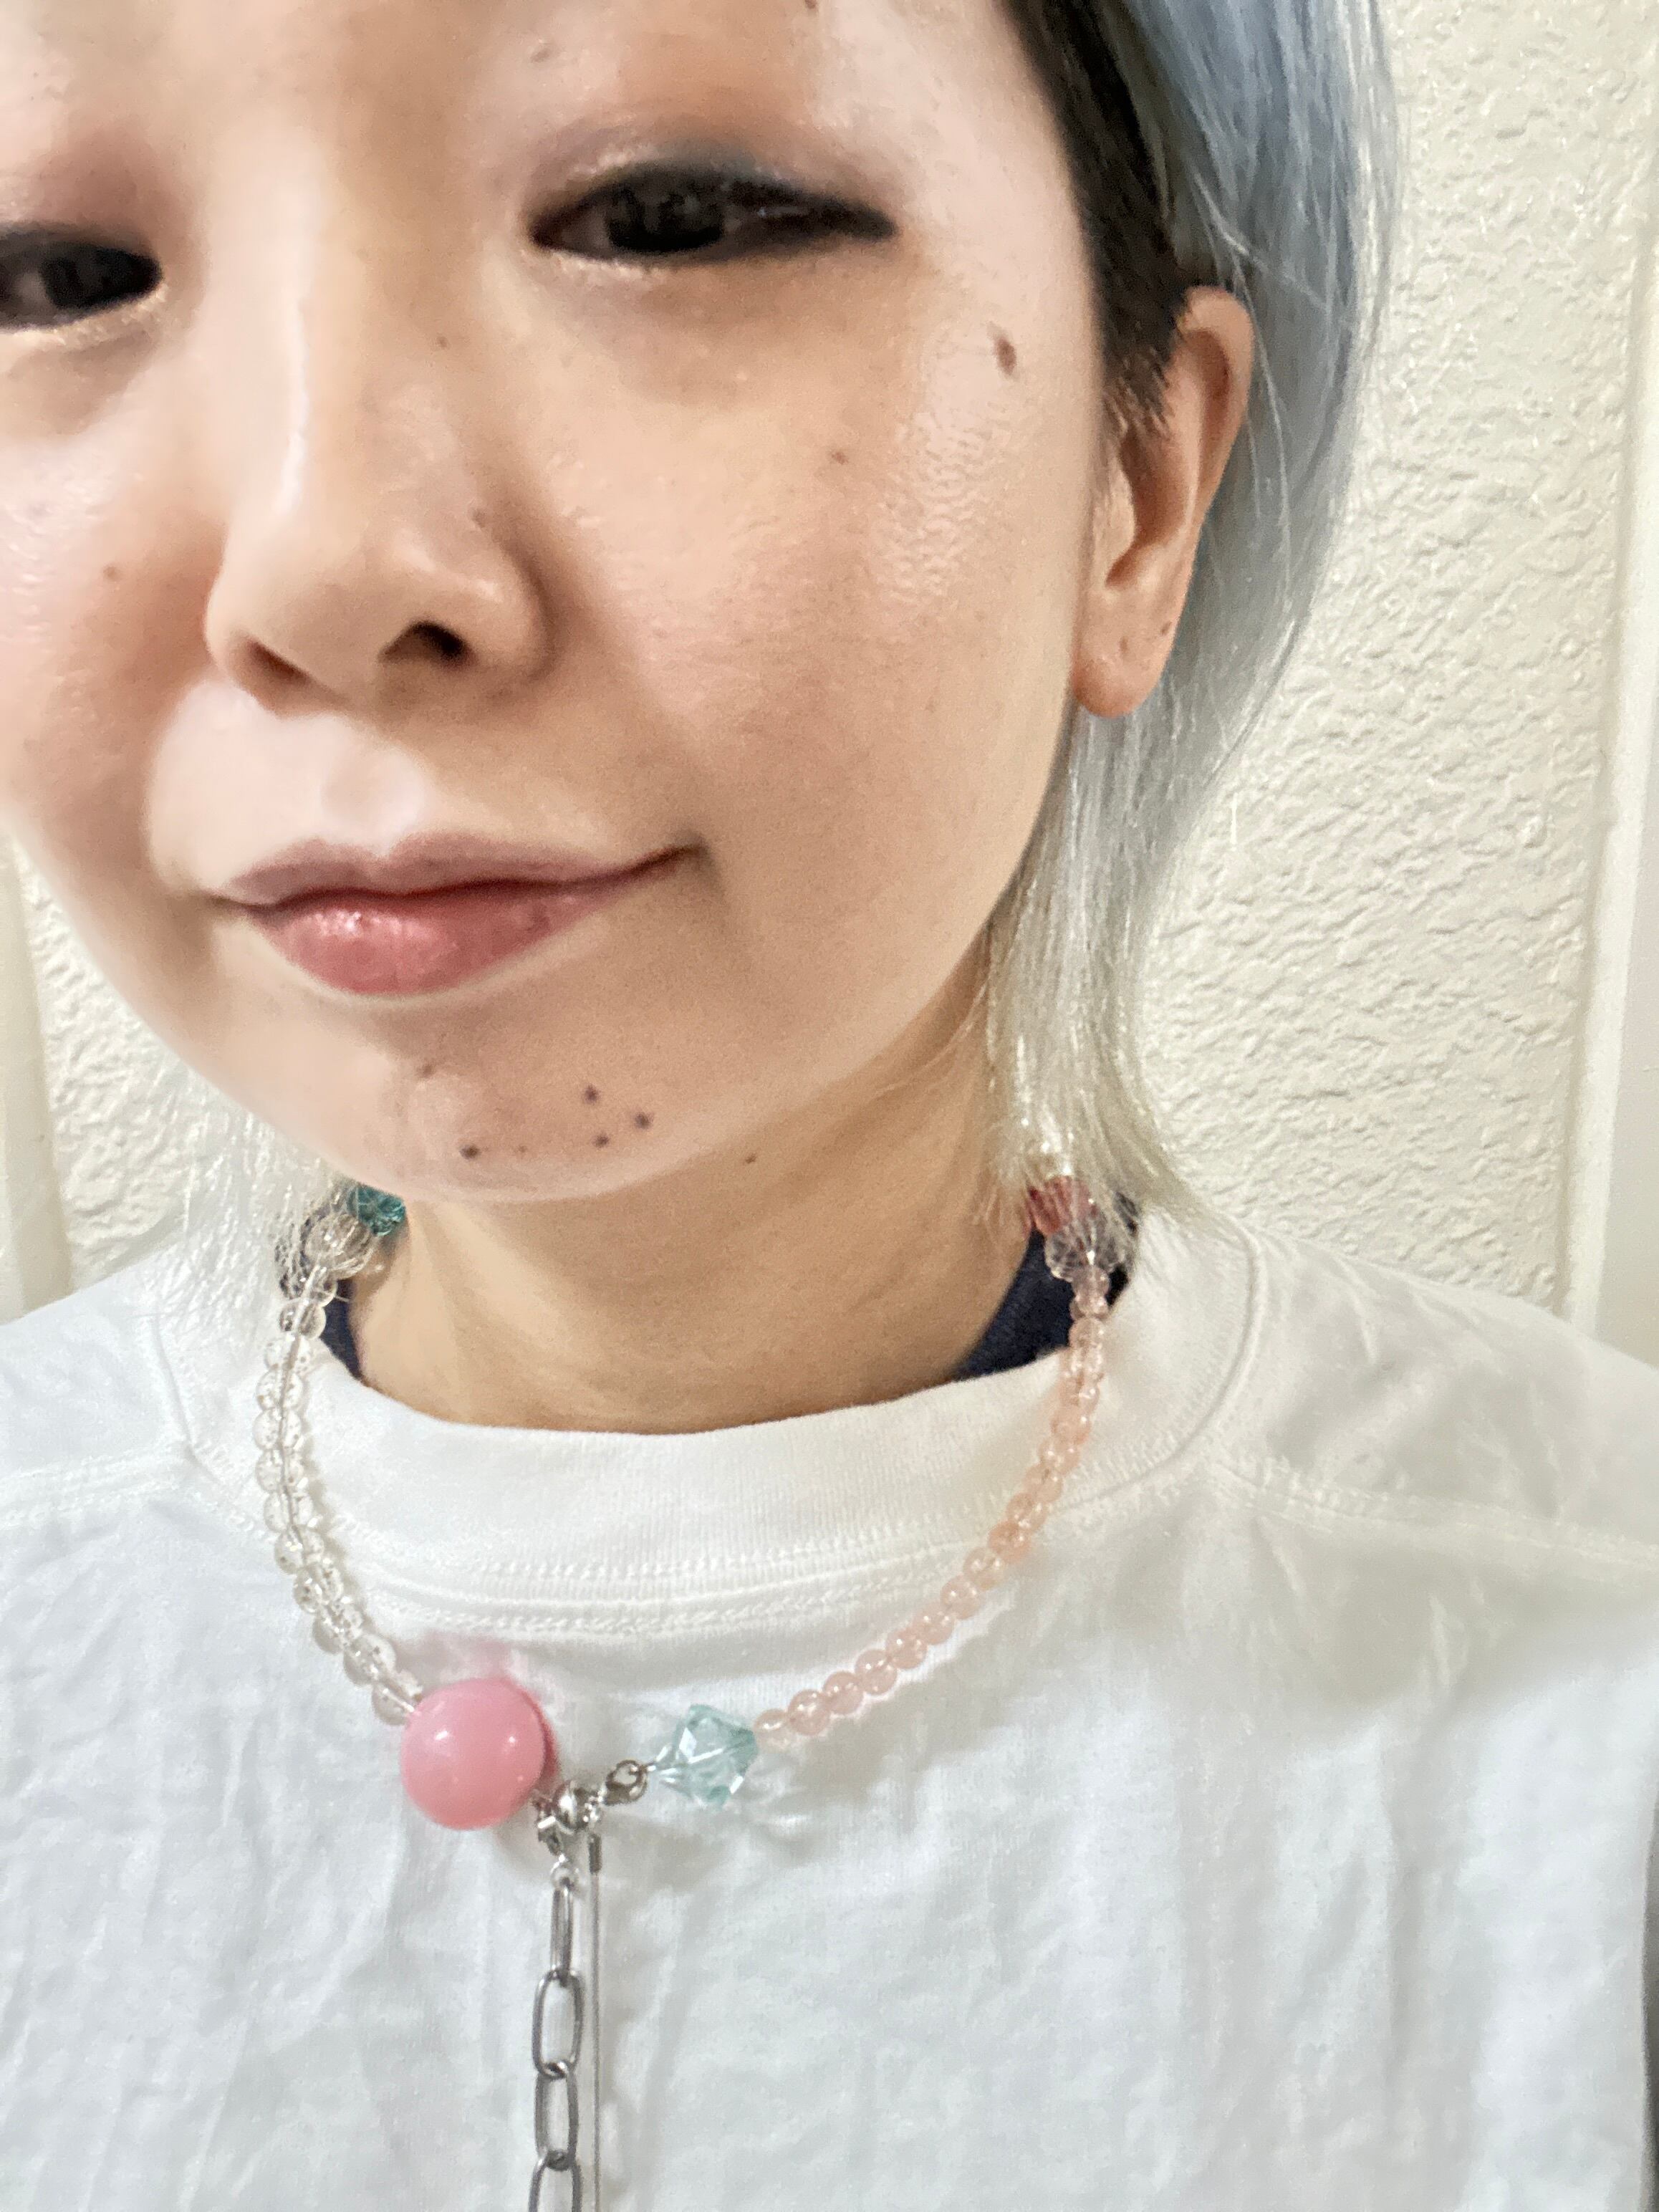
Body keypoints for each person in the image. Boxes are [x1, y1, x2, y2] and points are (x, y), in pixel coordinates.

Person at [2, 0, 1656, 2206]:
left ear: (1137, 495)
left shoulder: (1581, 1664)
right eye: (56, 276)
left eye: (667, 219)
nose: (322, 571)